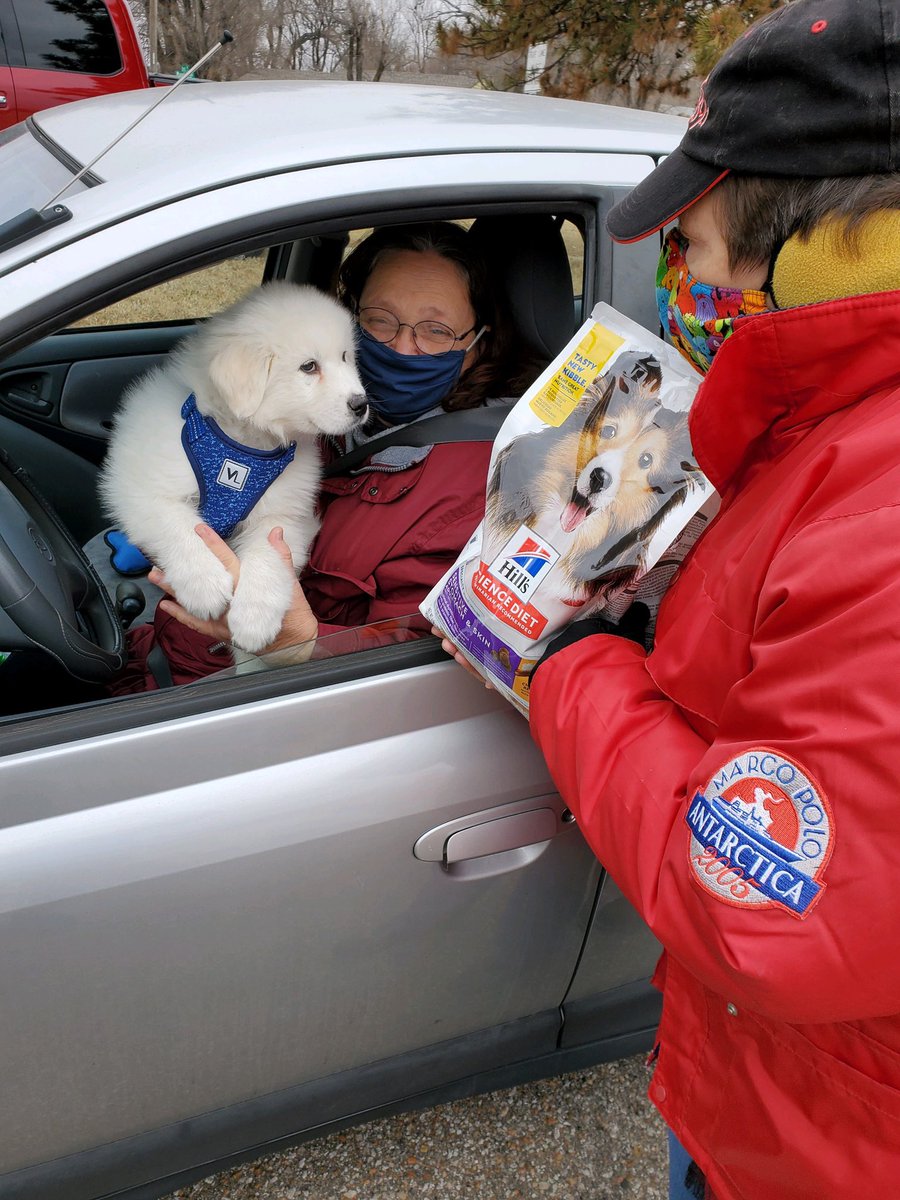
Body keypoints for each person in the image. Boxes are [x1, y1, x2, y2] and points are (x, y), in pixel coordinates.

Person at [442, 2, 900, 1196]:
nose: (675, 271)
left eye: (690, 236)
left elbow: (776, 909)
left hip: (823, 1144)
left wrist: (570, 665)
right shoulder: (842, 430)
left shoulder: (882, 506)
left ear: (829, 235)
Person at [109, 221, 543, 690]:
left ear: (477, 346)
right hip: (168, 655)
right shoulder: (310, 415)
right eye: (380, 319)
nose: (401, 346)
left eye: (435, 330)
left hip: (255, 699)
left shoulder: (485, 483)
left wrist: (301, 643)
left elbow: (421, 659)